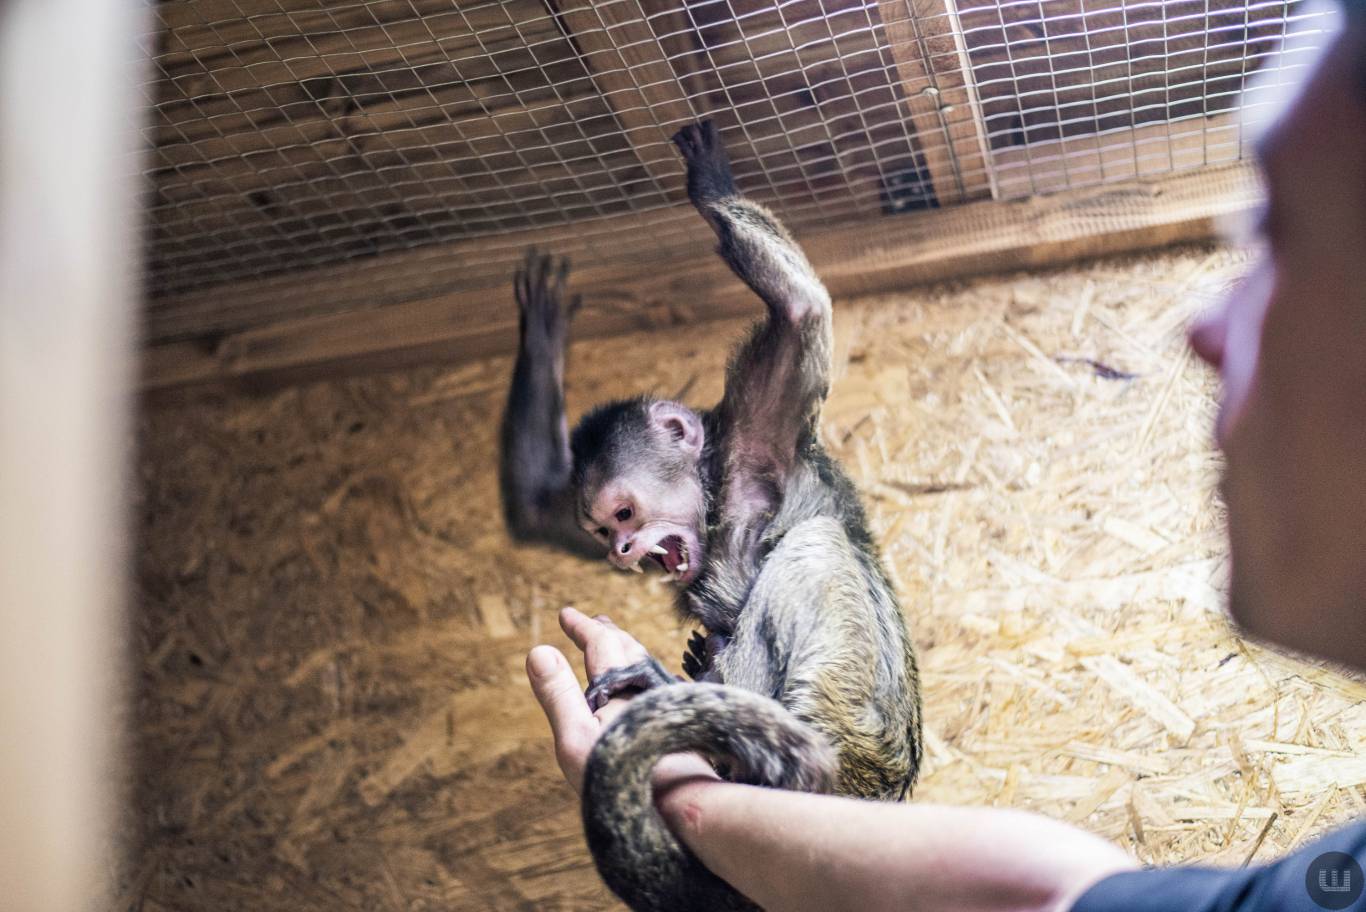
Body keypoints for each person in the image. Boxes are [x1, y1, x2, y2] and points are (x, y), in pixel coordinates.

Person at [524, 1, 1366, 908]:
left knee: (801, 561)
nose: (1201, 330)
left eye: (1275, 239)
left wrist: (724, 202)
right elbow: (1031, 893)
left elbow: (803, 307)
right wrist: (668, 772)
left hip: (832, 729)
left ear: (679, 438)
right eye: (607, 534)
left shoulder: (752, 457)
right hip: (776, 759)